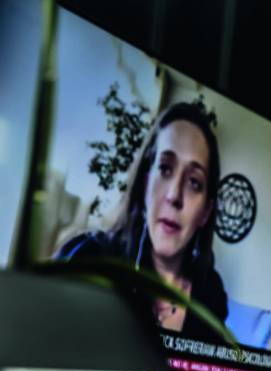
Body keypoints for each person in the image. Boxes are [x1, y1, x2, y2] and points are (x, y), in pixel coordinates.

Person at [56, 101, 228, 339]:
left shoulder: (212, 294)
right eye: (165, 168)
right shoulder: (88, 259)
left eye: (194, 182)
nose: (173, 195)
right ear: (146, 184)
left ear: (206, 212)